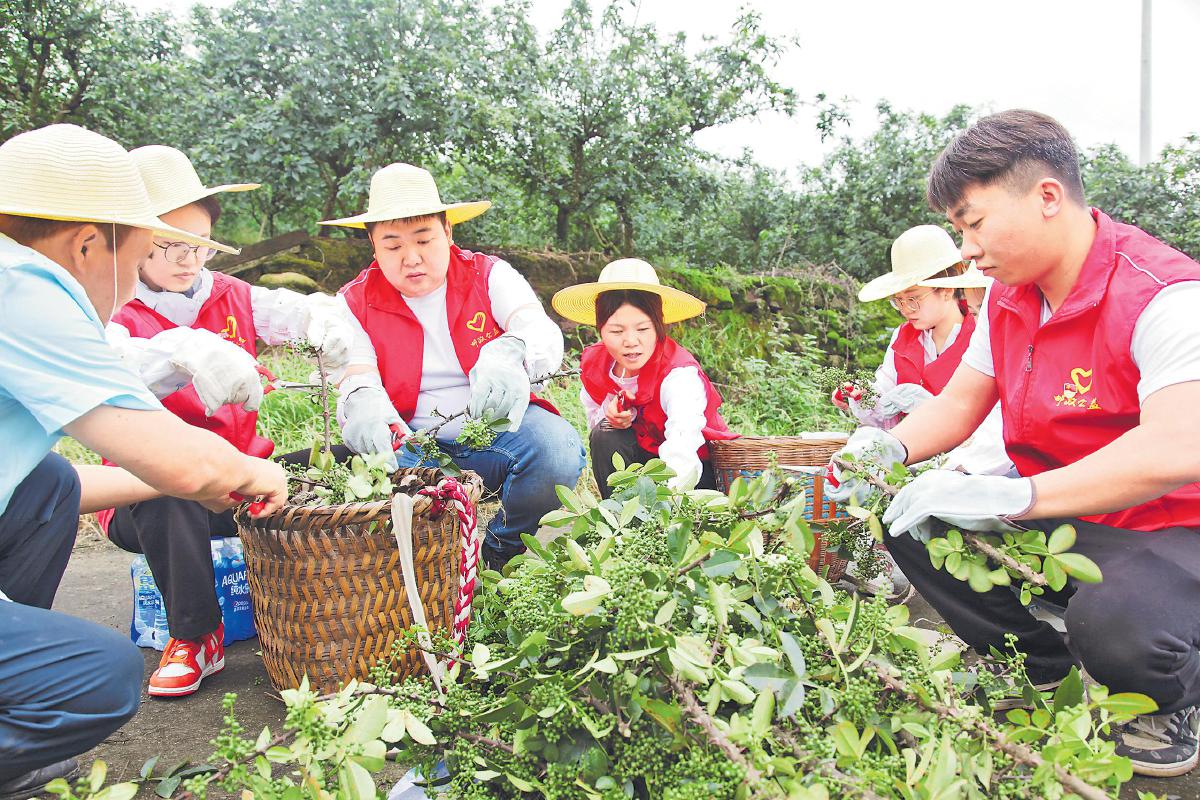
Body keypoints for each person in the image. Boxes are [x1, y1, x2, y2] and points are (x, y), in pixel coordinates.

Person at [828, 109, 1200, 777]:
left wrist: (1014, 495)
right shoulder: (1006, 298)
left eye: (973, 223)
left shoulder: (1162, 296)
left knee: (1120, 626)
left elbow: (1175, 448)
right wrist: (887, 451)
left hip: (1172, 528)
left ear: (1047, 197)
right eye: (959, 230)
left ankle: (1167, 694)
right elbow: (958, 404)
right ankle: (1036, 663)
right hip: (1064, 512)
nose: (967, 249)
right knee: (908, 513)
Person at [0, 124, 287, 795]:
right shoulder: (24, 288)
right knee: (98, 676)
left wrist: (162, 483)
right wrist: (251, 472)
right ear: (86, 244)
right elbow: (185, 464)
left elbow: (55, 485)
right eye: (139, 257)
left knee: (46, 483)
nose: (131, 288)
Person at [99, 145, 361, 698]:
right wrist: (181, 353)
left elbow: (303, 311)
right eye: (169, 243)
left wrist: (329, 327)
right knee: (166, 481)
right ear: (132, 237)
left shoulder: (232, 296)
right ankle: (196, 636)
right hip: (148, 501)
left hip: (242, 483)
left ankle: (348, 599)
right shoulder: (113, 306)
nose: (187, 259)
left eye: (199, 243)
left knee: (348, 458)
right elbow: (108, 363)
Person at [322, 163, 585, 571]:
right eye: (392, 246)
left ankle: (500, 551)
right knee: (374, 479)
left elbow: (539, 330)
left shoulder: (489, 275)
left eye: (424, 239)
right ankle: (433, 562)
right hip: (413, 449)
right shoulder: (354, 302)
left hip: (495, 436)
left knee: (556, 449)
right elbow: (357, 375)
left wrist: (511, 351)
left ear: (447, 232)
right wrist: (362, 401)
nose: (411, 258)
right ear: (373, 246)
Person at [552, 259, 737, 497]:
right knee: (604, 434)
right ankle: (618, 513)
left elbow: (683, 447)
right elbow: (595, 422)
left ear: (658, 326)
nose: (630, 341)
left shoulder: (679, 374)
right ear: (600, 329)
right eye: (616, 331)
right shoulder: (596, 365)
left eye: (642, 329)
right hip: (642, 461)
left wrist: (664, 504)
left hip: (695, 474)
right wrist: (612, 417)